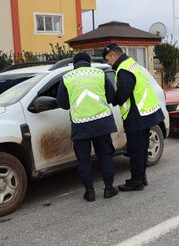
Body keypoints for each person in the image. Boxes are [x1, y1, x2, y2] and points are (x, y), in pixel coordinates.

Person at [102, 43, 165, 191]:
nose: (108, 63)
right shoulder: (132, 64)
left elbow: (124, 93)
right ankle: (141, 178)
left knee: (136, 150)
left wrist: (114, 99)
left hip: (136, 115)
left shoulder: (123, 70)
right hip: (146, 112)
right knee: (142, 148)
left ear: (112, 55)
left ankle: (136, 181)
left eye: (107, 59)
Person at [56, 52, 119, 201]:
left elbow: (63, 104)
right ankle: (109, 189)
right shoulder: (99, 74)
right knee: (105, 156)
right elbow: (111, 97)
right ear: (88, 62)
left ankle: (89, 192)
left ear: (74, 64)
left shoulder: (67, 78)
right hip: (102, 122)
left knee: (84, 160)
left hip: (80, 125)